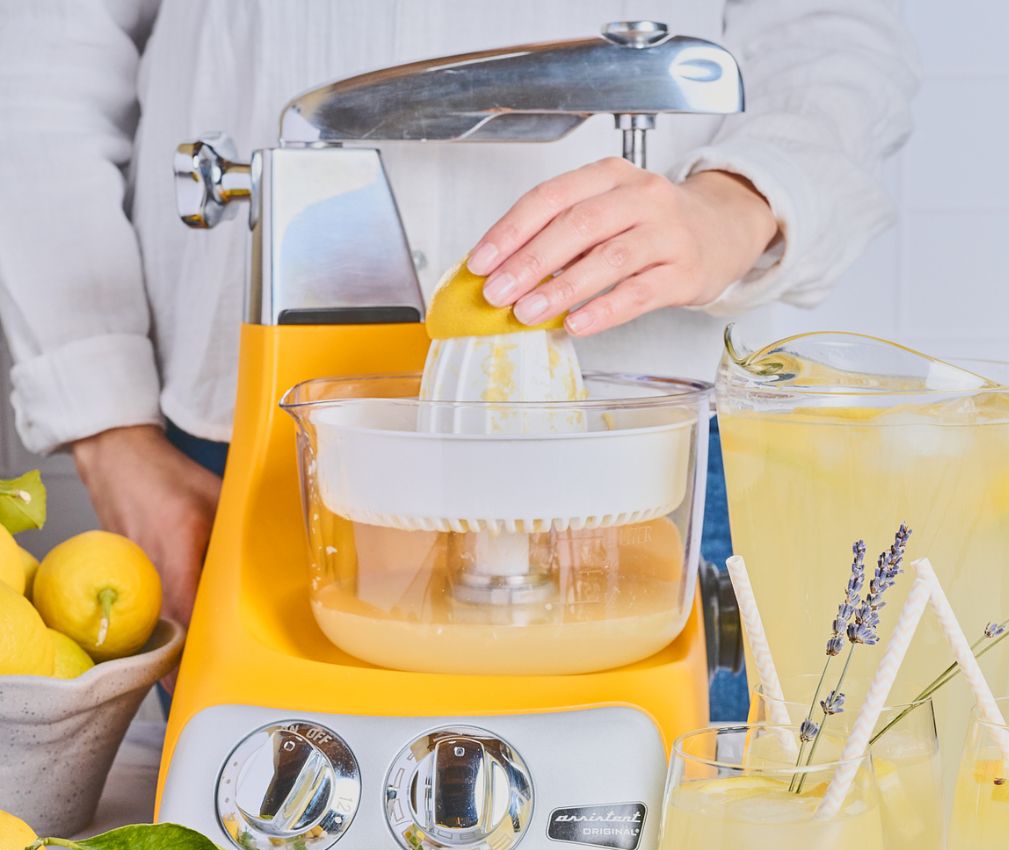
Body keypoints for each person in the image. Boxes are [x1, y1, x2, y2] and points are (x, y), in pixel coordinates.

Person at [0, 1, 917, 717]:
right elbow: (41, 54)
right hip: (235, 455)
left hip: (640, 474)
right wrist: (110, 432)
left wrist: (742, 199)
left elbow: (831, 27)